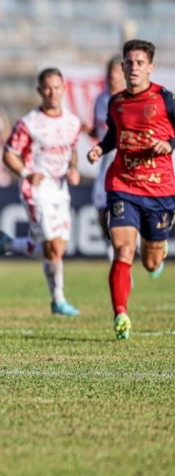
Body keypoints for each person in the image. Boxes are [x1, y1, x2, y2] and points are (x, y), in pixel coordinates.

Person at [88, 39, 175, 340]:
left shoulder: (166, 99)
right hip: (122, 184)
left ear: (150, 67)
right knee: (123, 250)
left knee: (151, 261)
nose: (134, 67)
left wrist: (170, 144)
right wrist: (101, 149)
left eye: (140, 62)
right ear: (122, 66)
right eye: (129, 62)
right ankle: (120, 313)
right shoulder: (115, 102)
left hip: (159, 190)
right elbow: (115, 134)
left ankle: (157, 249)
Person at [0, 68, 82, 317]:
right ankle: (58, 300)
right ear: (40, 91)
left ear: (64, 89)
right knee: (51, 247)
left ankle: (7, 243)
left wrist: (72, 169)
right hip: (36, 189)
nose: (52, 92)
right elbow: (9, 154)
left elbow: (72, 150)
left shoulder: (72, 122)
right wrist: (26, 173)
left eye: (57, 87)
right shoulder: (29, 123)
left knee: (56, 247)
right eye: (47, 88)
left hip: (60, 189)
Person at [91, 55, 126, 261]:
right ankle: (113, 254)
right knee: (100, 208)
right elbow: (99, 132)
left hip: (125, 160)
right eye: (110, 71)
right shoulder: (100, 100)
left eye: (116, 71)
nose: (112, 76)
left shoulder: (129, 97)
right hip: (106, 161)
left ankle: (149, 242)